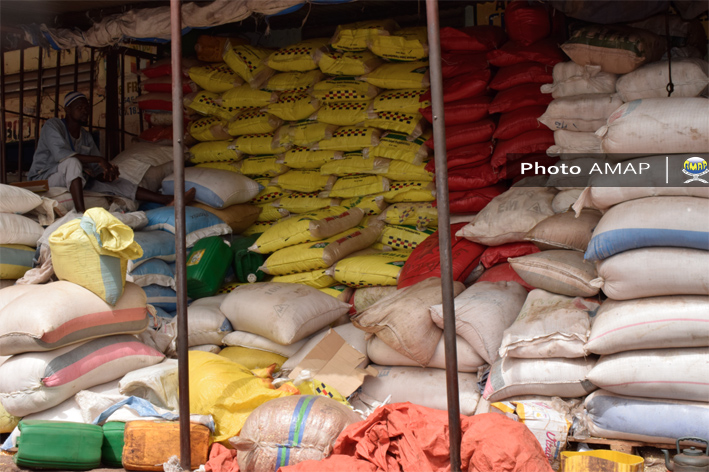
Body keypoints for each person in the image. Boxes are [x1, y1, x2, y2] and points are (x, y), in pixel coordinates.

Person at [28, 91, 194, 213]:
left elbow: (96, 170)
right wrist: (100, 160)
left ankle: (168, 200)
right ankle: (80, 215)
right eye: (80, 107)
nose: (85, 111)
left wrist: (108, 173)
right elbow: (61, 156)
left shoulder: (85, 136)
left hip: (74, 178)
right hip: (44, 179)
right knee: (72, 162)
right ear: (68, 110)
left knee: (118, 183)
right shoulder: (53, 126)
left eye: (87, 107)